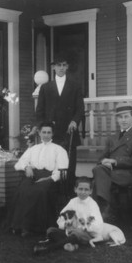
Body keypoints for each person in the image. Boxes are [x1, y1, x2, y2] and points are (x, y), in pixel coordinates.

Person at [7, 122, 69, 236]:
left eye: (49, 132)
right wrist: (27, 167)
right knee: (23, 190)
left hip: (50, 178)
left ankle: (31, 227)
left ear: (52, 134)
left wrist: (50, 178)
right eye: (43, 132)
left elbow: (62, 169)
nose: (46, 135)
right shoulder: (33, 148)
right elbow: (19, 163)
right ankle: (18, 225)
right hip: (33, 175)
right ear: (39, 133)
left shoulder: (59, 150)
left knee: (38, 191)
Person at [35, 52, 85, 189]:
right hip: (52, 134)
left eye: (64, 65)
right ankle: (53, 195)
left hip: (69, 132)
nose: (61, 68)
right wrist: (43, 129)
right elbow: (39, 111)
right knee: (52, 165)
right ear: (53, 68)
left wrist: (75, 121)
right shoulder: (46, 88)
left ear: (67, 67)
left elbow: (80, 108)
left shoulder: (75, 86)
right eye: (58, 65)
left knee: (69, 166)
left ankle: (67, 195)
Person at [92, 102, 132, 221]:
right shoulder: (112, 138)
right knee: (99, 169)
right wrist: (104, 162)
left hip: (127, 174)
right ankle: (105, 210)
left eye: (126, 116)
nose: (123, 120)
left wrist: (114, 161)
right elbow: (101, 158)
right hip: (110, 173)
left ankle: (103, 210)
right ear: (117, 119)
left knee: (97, 177)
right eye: (120, 117)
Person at [33, 177, 103, 254]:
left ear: (90, 191)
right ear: (75, 189)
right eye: (80, 189)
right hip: (71, 232)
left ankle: (48, 248)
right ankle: (72, 245)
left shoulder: (92, 204)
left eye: (86, 190)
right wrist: (65, 223)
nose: (83, 192)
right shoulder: (73, 201)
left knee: (77, 233)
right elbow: (62, 215)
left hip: (86, 234)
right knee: (51, 230)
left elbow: (98, 224)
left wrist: (84, 227)